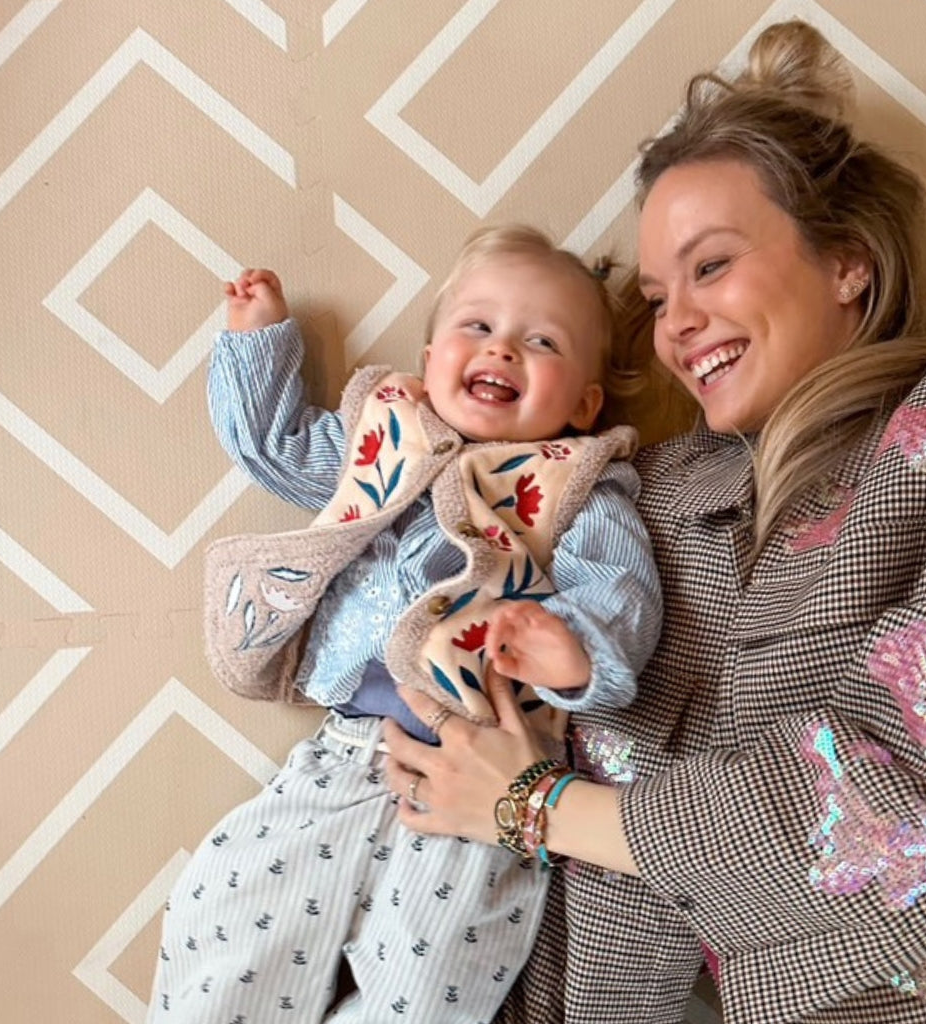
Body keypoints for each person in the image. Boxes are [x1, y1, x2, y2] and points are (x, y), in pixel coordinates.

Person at [382, 20, 926, 1024]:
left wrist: (538, 807)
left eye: (709, 268)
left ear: (846, 260)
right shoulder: (644, 495)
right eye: (659, 296)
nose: (675, 325)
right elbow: (538, 795)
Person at [145, 225, 662, 1023]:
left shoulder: (581, 491)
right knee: (227, 916)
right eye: (479, 326)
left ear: (585, 404)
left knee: (429, 982)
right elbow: (274, 448)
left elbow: (620, 594)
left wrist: (573, 651)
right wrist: (258, 342)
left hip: (479, 772)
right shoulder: (387, 446)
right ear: (429, 361)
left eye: (543, 340)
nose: (503, 350)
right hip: (341, 754)